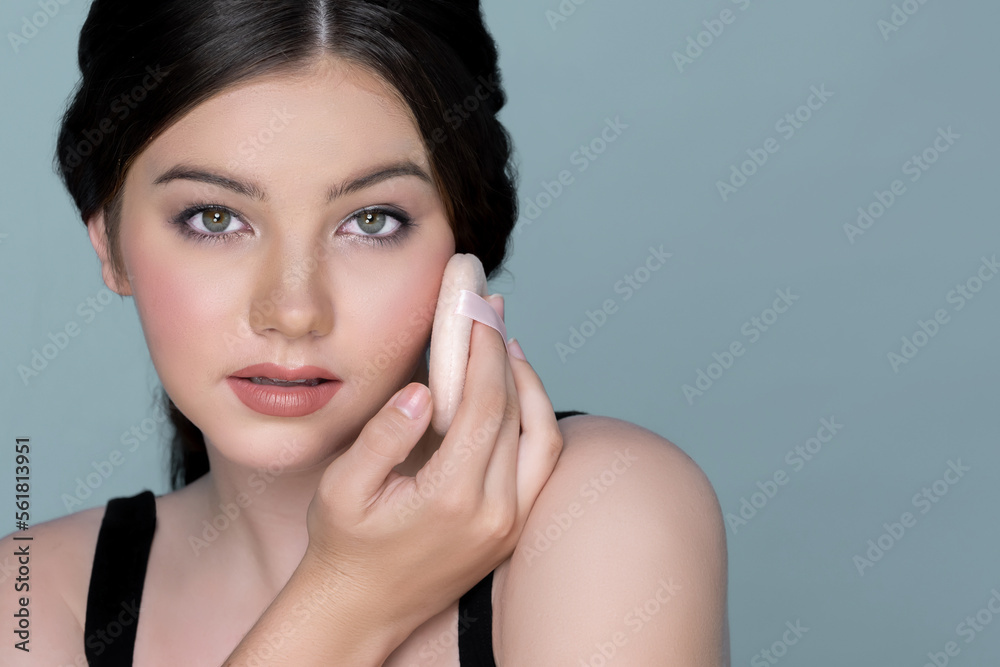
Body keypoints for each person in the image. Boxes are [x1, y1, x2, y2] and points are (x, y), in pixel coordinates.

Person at [1, 1, 730, 664]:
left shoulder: (606, 510)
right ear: (109, 241)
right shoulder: (30, 597)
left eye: (372, 220)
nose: (292, 310)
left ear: (462, 246)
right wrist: (348, 596)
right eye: (215, 218)